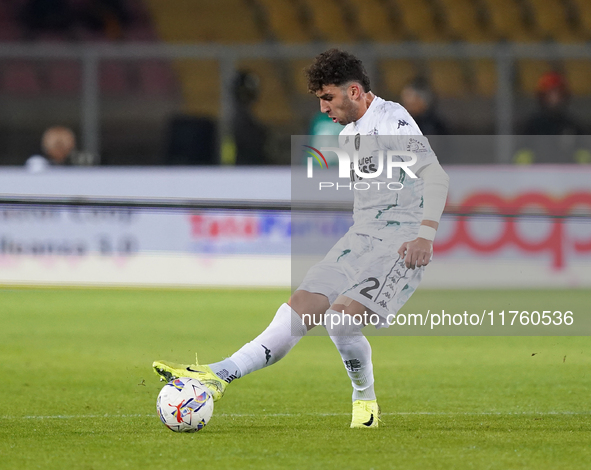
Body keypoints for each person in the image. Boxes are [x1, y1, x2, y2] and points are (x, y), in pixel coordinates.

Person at [153, 49, 450, 428]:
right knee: (301, 307)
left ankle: (365, 400)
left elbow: (436, 176)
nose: (324, 107)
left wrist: (425, 235)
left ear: (355, 91)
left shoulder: (391, 120)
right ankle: (220, 374)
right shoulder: (348, 135)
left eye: (328, 97)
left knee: (341, 321)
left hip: (401, 241)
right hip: (361, 235)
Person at [515, 71, 587, 164]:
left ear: (564, 96)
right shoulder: (532, 125)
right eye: (550, 93)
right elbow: (521, 153)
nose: (554, 98)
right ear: (542, 96)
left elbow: (584, 153)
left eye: (557, 93)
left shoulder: (573, 125)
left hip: (566, 175)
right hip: (538, 174)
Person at [25, 126, 97, 171]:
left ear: (72, 145)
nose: (60, 149)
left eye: (63, 145)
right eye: (56, 145)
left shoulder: (79, 164)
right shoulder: (37, 163)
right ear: (45, 144)